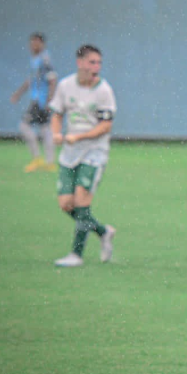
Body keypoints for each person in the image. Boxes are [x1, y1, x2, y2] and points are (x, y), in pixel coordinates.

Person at [49, 44, 116, 267]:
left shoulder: (103, 90)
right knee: (66, 204)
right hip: (70, 153)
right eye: (92, 62)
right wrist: (56, 133)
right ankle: (103, 231)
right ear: (80, 63)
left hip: (94, 152)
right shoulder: (65, 86)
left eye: (99, 63)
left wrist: (79, 137)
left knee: (81, 201)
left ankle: (76, 255)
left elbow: (106, 126)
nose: (96, 67)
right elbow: (57, 115)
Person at [10, 32, 58, 172]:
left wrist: (50, 100)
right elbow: (31, 80)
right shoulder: (35, 59)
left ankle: (38, 158)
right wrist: (18, 93)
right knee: (45, 129)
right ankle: (49, 162)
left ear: (42, 44)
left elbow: (52, 80)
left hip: (40, 101)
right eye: (32, 42)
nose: (33, 45)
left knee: (24, 126)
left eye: (36, 42)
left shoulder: (44, 59)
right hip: (38, 99)